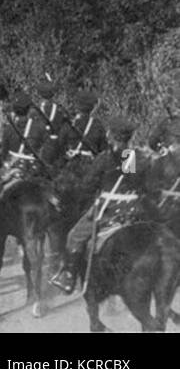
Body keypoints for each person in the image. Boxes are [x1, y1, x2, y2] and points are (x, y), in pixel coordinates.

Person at [49, 118, 144, 294]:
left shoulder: (104, 158)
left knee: (74, 236)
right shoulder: (133, 156)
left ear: (111, 137)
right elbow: (132, 181)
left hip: (108, 208)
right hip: (131, 209)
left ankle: (68, 278)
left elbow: (88, 186)